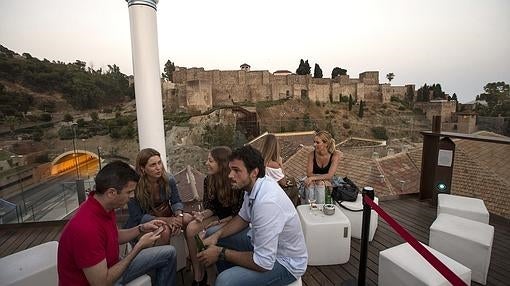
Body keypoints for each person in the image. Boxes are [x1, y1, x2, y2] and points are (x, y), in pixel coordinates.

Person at [197, 145, 307, 286]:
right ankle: (237, 274)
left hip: (285, 263)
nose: (230, 175)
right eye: (231, 169)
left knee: (224, 281)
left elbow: (263, 263)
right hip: (260, 244)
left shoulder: (267, 203)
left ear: (254, 172)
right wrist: (215, 236)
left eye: (236, 170)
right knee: (212, 233)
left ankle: (233, 277)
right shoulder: (253, 187)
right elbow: (243, 218)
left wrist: (220, 252)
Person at [57, 161, 177, 286]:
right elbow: (102, 283)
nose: (131, 197)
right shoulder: (86, 228)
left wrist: (141, 228)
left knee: (169, 253)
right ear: (111, 193)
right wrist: (138, 247)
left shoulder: (103, 206)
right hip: (106, 279)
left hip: (112, 266)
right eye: (129, 192)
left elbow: (114, 236)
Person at [185, 146, 243, 286]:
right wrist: (202, 214)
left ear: (221, 163)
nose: (206, 163)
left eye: (210, 161)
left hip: (234, 218)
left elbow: (239, 212)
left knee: (209, 233)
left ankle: (211, 278)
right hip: (217, 216)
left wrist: (220, 222)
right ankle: (199, 274)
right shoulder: (208, 180)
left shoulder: (234, 181)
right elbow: (211, 207)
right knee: (191, 228)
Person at [125, 148, 193, 245]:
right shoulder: (134, 187)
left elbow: (176, 201)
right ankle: (163, 257)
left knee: (187, 218)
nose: (158, 168)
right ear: (142, 169)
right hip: (145, 222)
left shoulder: (169, 179)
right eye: (153, 165)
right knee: (163, 231)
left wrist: (178, 216)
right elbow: (138, 217)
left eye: (159, 163)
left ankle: (193, 257)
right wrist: (167, 220)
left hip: (166, 213)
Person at [304, 130, 341, 204]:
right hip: (315, 181)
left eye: (317, 142)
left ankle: (321, 208)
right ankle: (310, 208)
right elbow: (309, 173)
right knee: (310, 184)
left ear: (326, 143)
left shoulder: (335, 155)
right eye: (314, 142)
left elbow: (330, 175)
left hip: (329, 181)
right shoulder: (311, 154)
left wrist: (314, 178)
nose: (314, 145)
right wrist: (319, 179)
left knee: (320, 184)